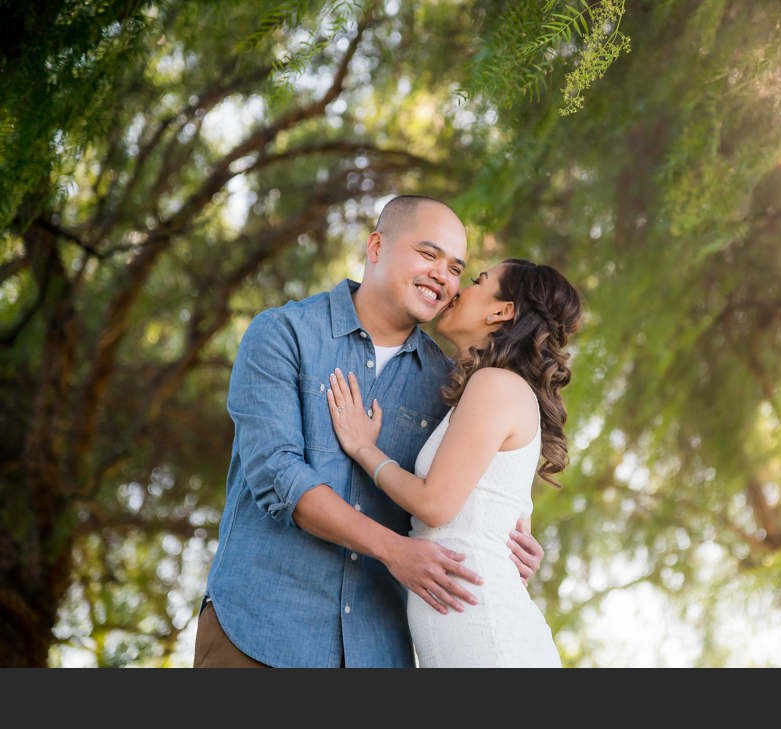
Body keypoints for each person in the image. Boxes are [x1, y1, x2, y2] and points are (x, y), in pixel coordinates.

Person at [194, 196, 545, 668]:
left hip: (377, 651)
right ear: (376, 245)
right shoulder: (283, 334)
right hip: (261, 632)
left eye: (457, 267)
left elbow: (471, 492)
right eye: (428, 254)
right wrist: (393, 550)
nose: (443, 275)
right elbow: (278, 476)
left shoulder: (451, 388)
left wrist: (512, 542)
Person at [326, 257, 582, 667]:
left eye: (479, 281)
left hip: (489, 638)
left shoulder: (496, 385)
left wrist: (363, 448)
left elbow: (435, 505)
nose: (460, 287)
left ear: (501, 310)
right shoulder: (494, 389)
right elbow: (514, 527)